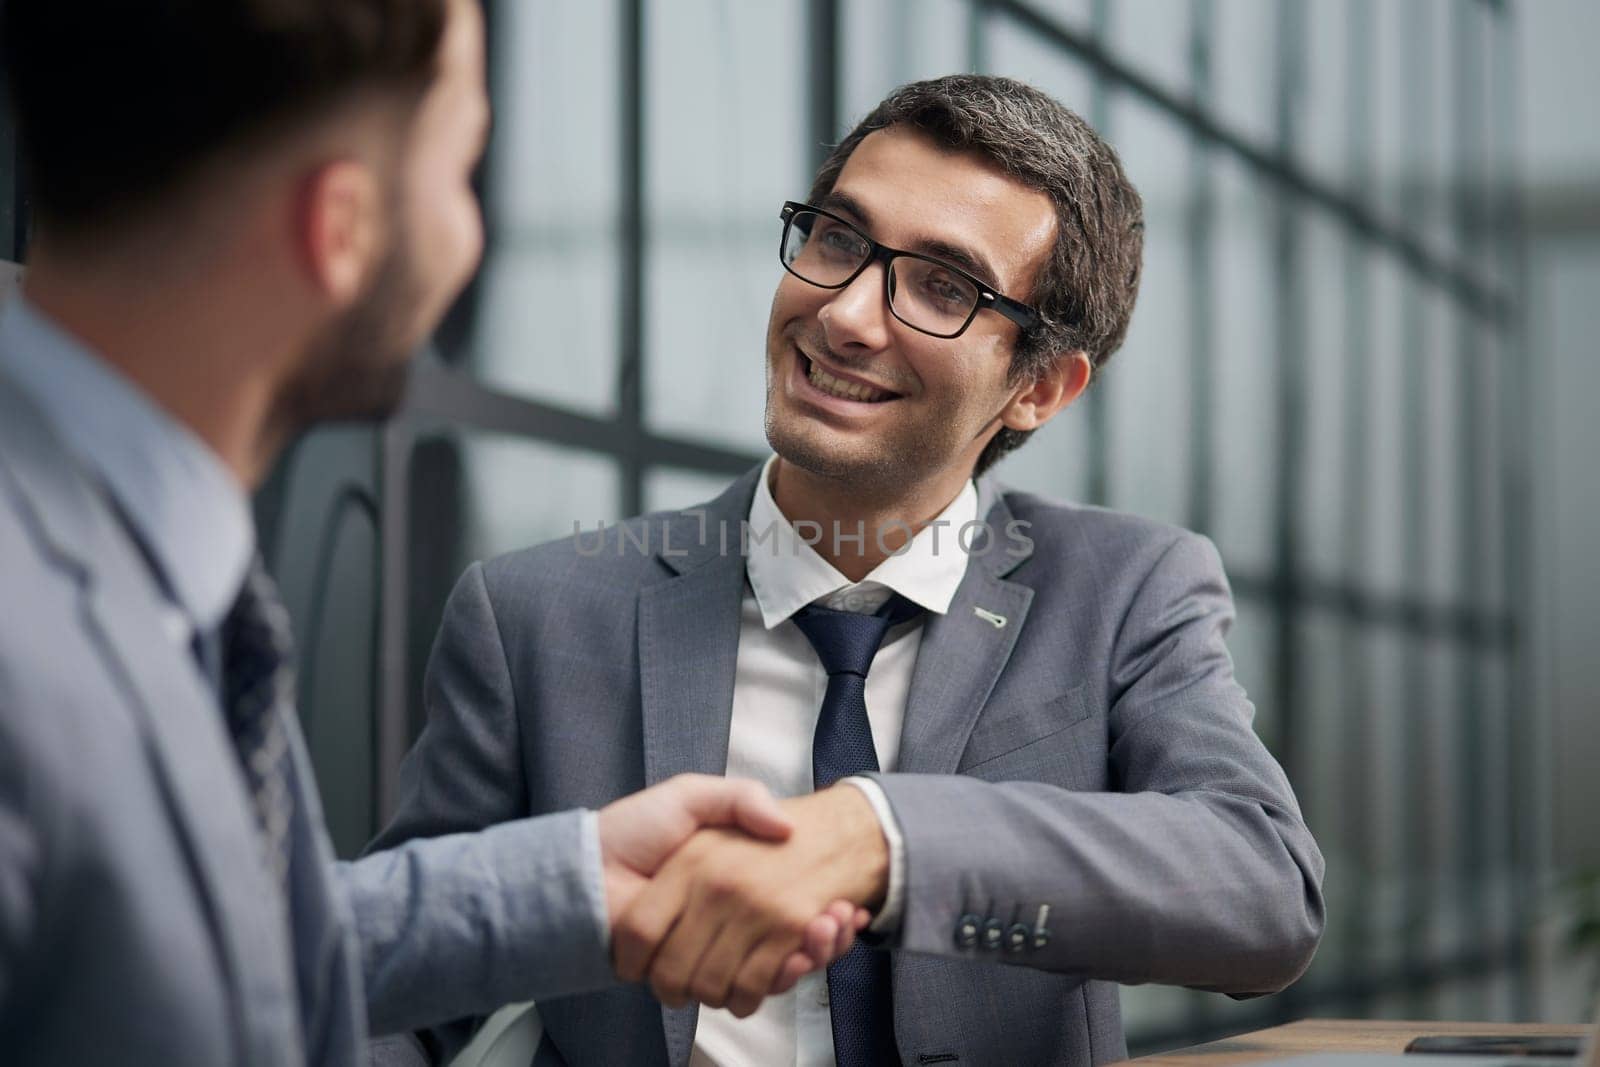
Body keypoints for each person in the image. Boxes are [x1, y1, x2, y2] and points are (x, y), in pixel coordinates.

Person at [371, 74, 1327, 1066]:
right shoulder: (536, 613)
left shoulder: (1126, 589)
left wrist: (883, 834)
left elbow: (1264, 892)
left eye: (943, 287)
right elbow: (392, 985)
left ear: (1040, 385)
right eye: (837, 239)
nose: (848, 315)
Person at [0, 2, 859, 1064]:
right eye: (462, 170)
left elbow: (186, 958)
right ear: (341, 229)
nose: (472, 239)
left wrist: (568, 883)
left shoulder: (129, 552)